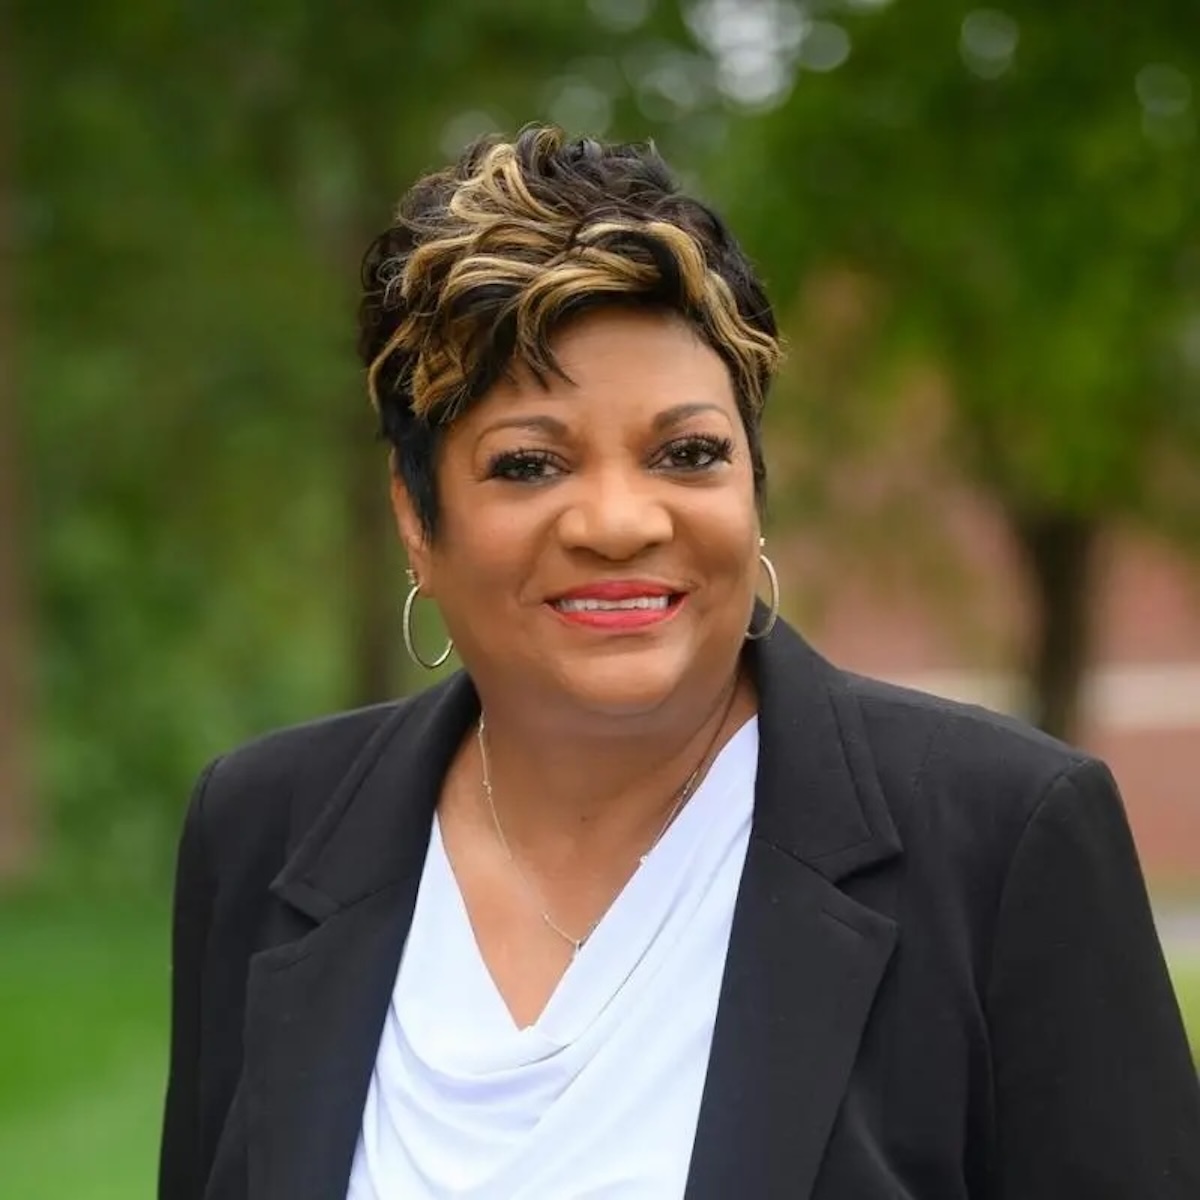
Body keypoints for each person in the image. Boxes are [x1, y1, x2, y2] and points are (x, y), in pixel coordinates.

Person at [158, 125, 1200, 1200]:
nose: (619, 520)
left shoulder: (1006, 838)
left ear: (753, 487)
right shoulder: (264, 828)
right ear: (418, 523)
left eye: (687, 453)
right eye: (529, 463)